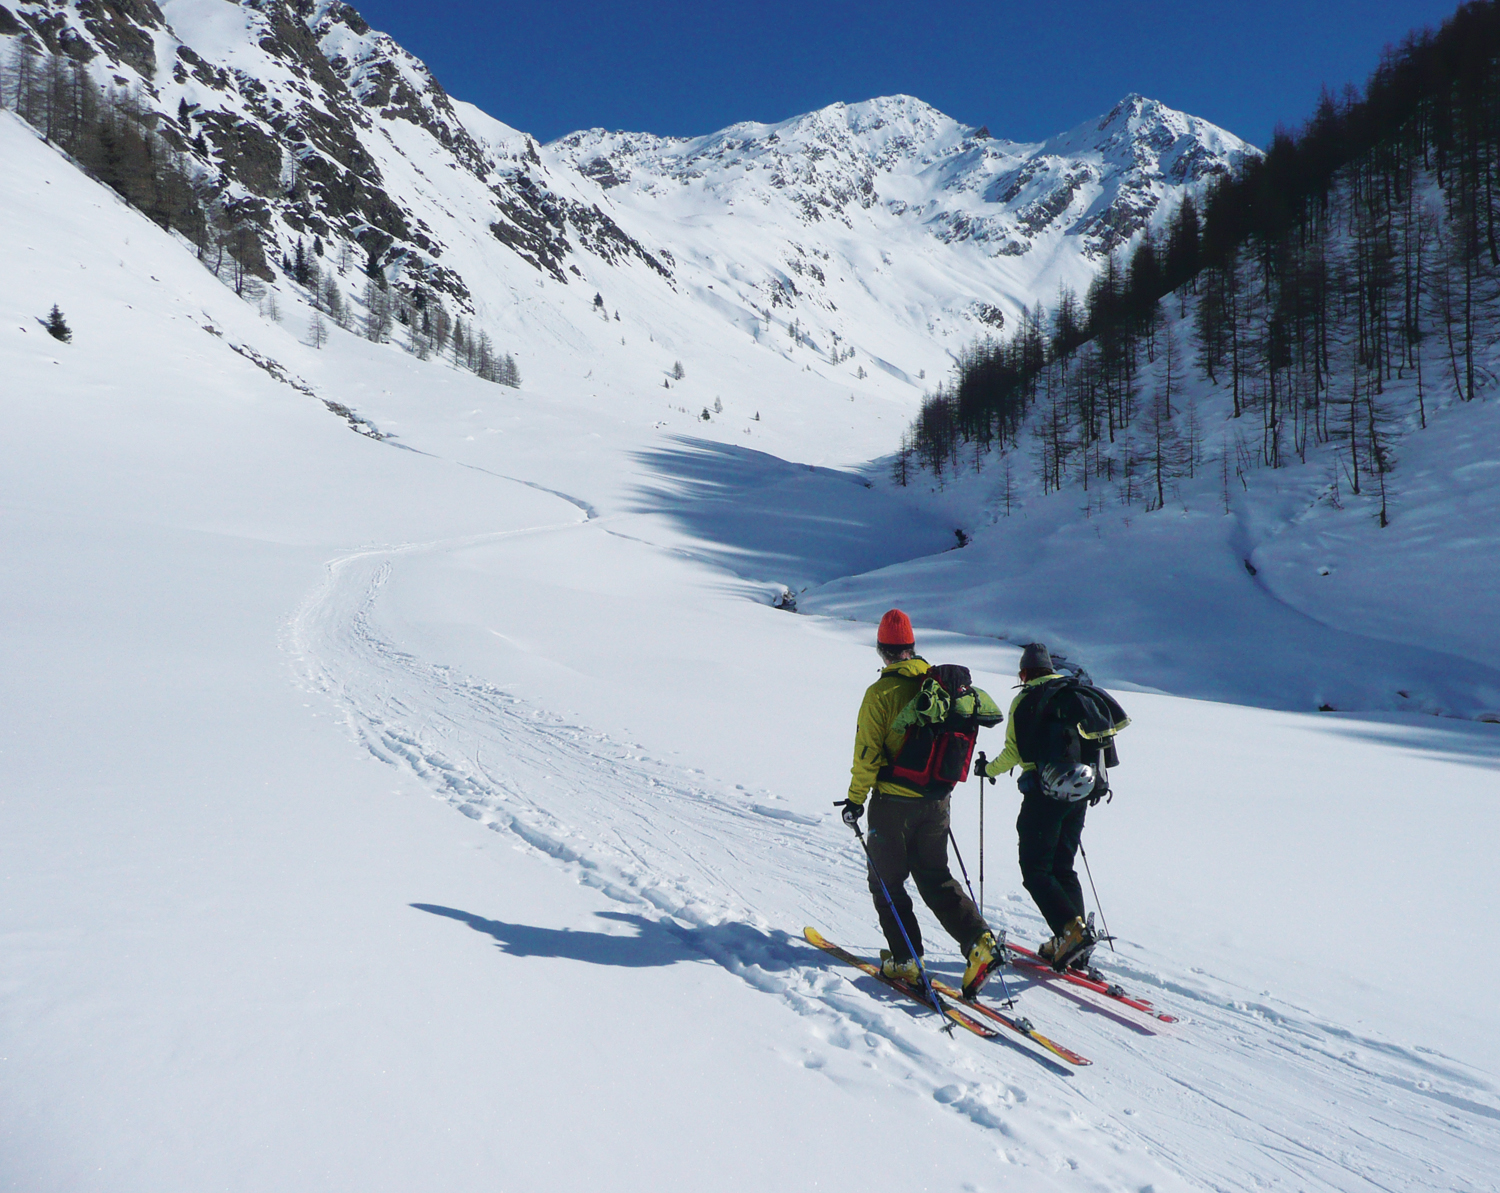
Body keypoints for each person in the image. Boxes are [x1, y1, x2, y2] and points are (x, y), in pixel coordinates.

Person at [838, 609, 1000, 996]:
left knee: (886, 882)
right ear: (912, 648)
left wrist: (855, 801)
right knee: (934, 876)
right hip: (937, 800)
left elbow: (867, 754)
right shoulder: (939, 686)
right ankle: (980, 944)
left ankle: (906, 959)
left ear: (882, 650)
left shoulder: (880, 694)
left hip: (893, 803)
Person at [980, 643, 1099, 970]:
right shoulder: (1072, 695)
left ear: (1024, 673)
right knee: (1063, 866)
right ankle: (1075, 941)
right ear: (1050, 669)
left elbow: (1014, 754)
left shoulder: (1026, 700)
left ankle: (1070, 932)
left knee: (1035, 869)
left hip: (1044, 793)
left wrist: (987, 770)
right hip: (1079, 789)